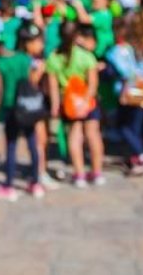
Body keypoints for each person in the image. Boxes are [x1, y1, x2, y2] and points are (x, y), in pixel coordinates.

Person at [0, 24, 47, 199]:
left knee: (11, 145)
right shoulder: (26, 59)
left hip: (10, 108)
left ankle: (9, 185)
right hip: (28, 107)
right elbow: (33, 82)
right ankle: (35, 182)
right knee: (32, 143)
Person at [47, 22, 105, 187]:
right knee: (93, 134)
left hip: (68, 101)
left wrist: (55, 106)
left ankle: (79, 174)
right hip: (87, 100)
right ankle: (97, 172)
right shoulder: (86, 56)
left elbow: (53, 87)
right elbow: (93, 83)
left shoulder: (53, 57)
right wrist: (86, 100)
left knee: (74, 135)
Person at [110, 16, 143, 175]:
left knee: (124, 128)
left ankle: (142, 155)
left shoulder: (117, 51)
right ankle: (136, 155)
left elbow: (124, 74)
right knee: (136, 127)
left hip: (128, 93)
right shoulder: (135, 48)